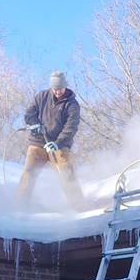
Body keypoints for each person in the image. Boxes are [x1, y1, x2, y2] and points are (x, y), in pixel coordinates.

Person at [18, 71, 85, 211]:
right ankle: (19, 205)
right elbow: (29, 114)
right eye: (55, 89)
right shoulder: (41, 97)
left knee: (66, 171)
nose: (57, 92)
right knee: (29, 172)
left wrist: (58, 143)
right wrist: (34, 124)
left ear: (65, 86)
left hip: (59, 145)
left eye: (60, 89)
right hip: (38, 143)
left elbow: (71, 127)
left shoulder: (72, 104)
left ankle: (79, 206)